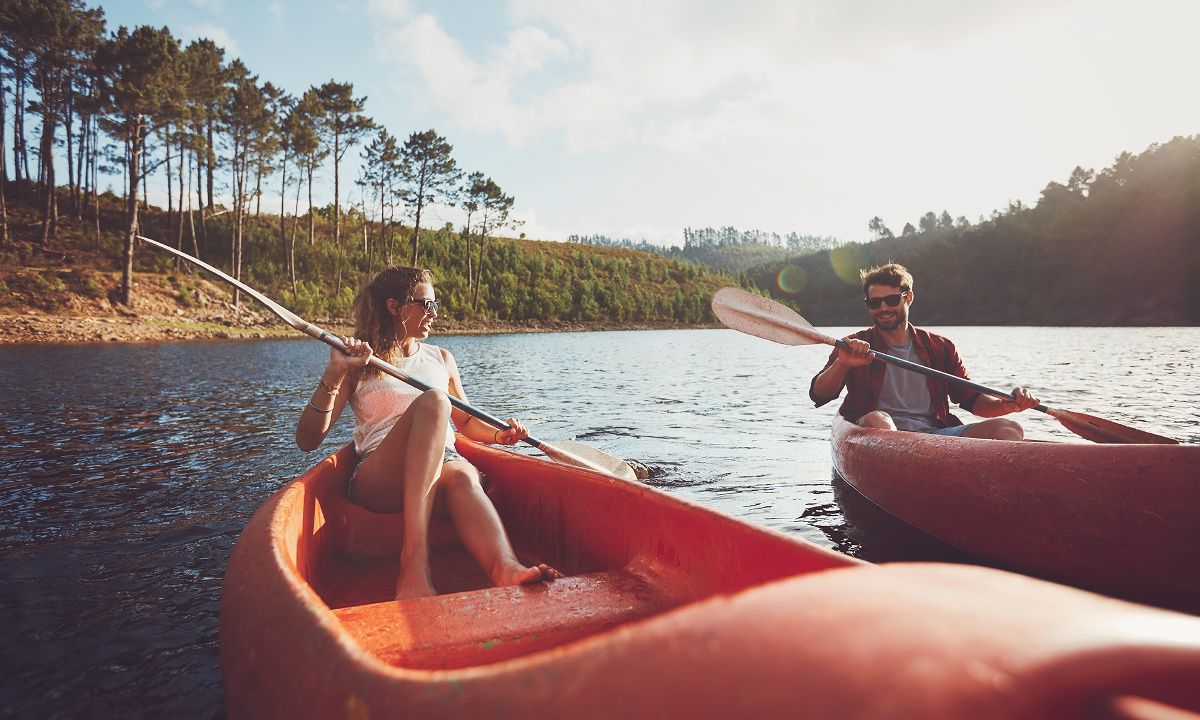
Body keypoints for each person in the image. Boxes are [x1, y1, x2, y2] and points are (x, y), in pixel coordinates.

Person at [295, 266, 551, 599]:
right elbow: (307, 439)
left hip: (442, 467)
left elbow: (468, 423)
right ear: (394, 307)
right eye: (426, 305)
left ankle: (505, 567)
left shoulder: (442, 358)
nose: (434, 314)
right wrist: (335, 372)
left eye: (435, 305)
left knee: (461, 475)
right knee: (434, 403)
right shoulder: (361, 360)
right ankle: (413, 565)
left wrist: (499, 436)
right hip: (380, 476)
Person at [809, 262, 1040, 440]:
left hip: (936, 435)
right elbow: (819, 394)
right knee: (878, 419)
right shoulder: (853, 344)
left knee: (1009, 428)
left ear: (908, 298)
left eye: (891, 300)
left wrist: (1008, 404)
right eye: (874, 303)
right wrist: (843, 363)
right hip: (879, 437)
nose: (883, 308)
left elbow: (972, 401)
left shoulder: (940, 347)